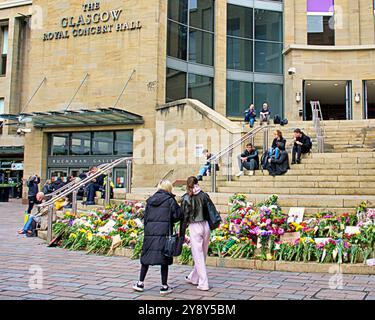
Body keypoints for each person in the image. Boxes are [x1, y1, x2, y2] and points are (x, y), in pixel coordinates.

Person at [133, 180, 183, 295]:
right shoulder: (170, 200)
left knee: (146, 258)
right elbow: (177, 216)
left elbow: (146, 218)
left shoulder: (150, 200)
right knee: (164, 258)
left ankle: (140, 283)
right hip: (164, 233)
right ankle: (164, 286)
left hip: (150, 233)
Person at [181, 176, 216, 291]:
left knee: (198, 255)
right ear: (197, 183)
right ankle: (194, 277)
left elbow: (184, 218)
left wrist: (181, 233)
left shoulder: (186, 198)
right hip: (205, 225)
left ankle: (203, 283)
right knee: (202, 255)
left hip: (194, 226)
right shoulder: (204, 195)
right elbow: (212, 210)